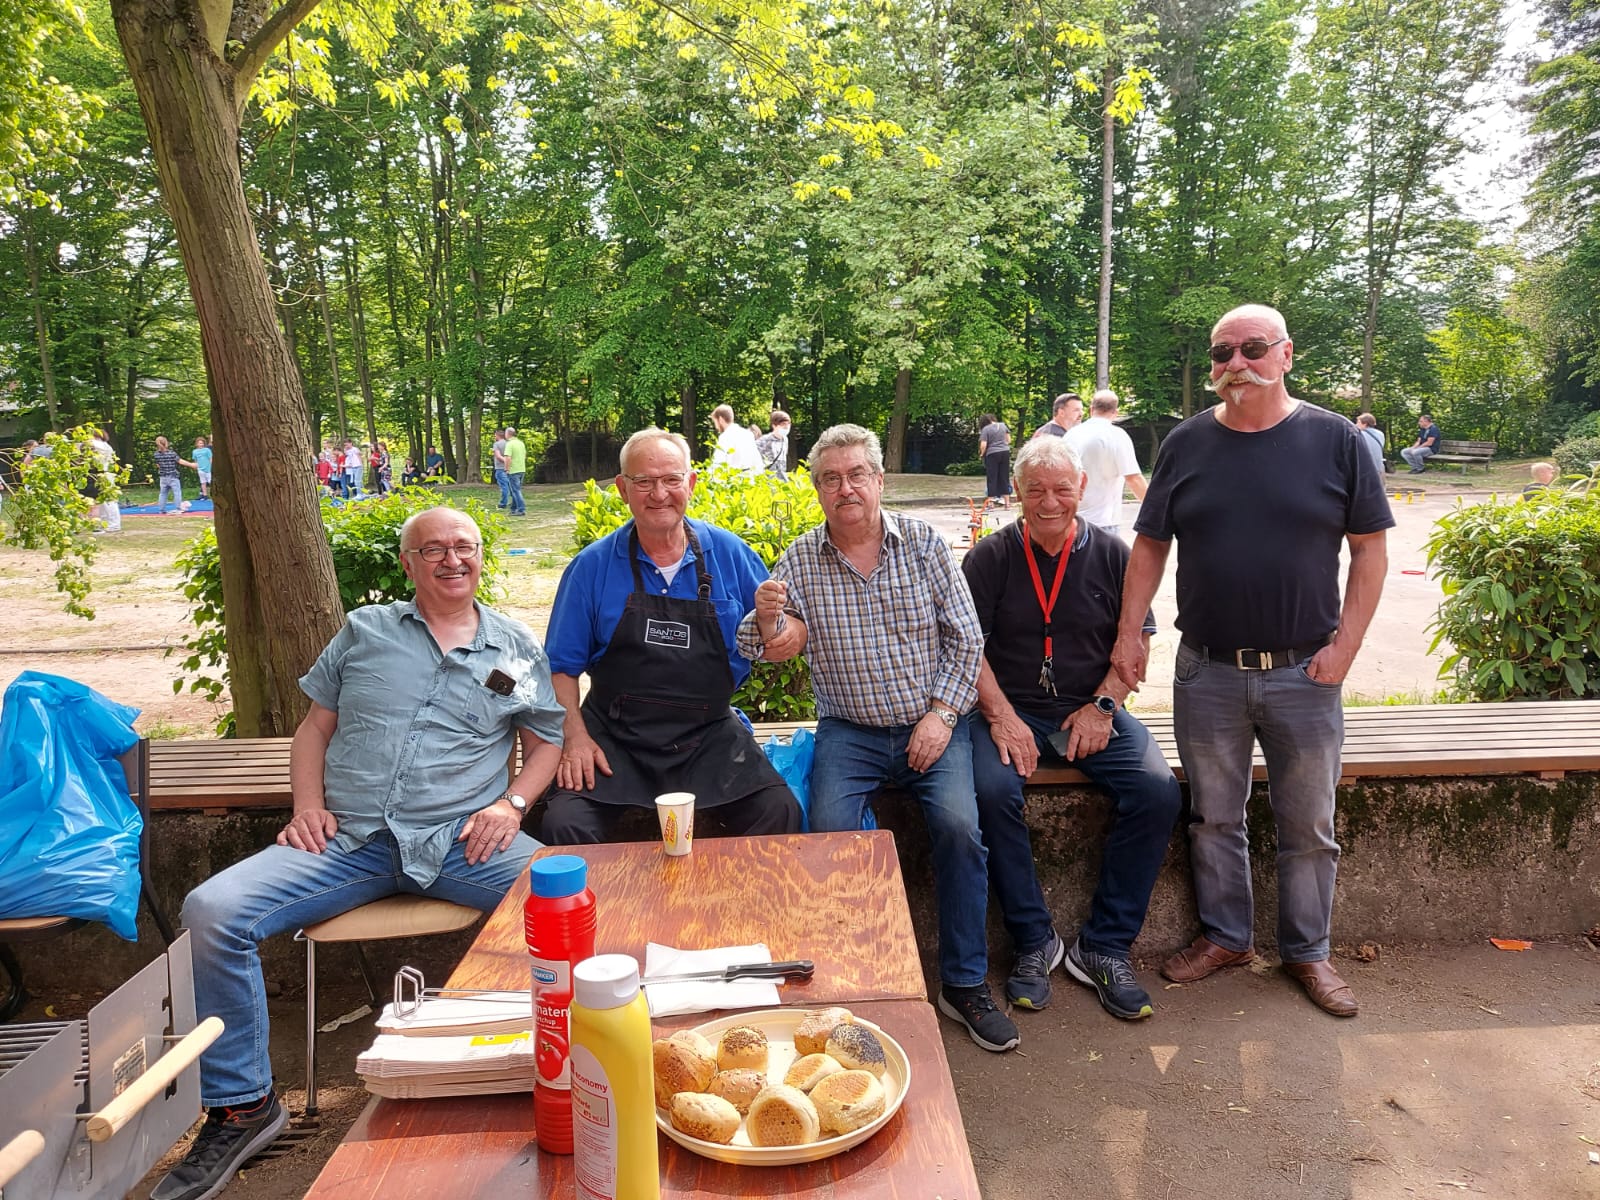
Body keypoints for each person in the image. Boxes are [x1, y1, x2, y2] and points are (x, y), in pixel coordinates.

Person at [151, 506, 564, 1200]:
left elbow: (546, 740)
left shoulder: (516, 647)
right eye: (432, 548)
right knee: (212, 910)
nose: (451, 559)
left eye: (464, 546)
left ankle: (554, 1073)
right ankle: (244, 1107)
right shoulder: (365, 631)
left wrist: (511, 804)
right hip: (348, 841)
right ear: (408, 563)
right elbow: (314, 728)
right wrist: (306, 807)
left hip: (461, 841)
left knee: (568, 902)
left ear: (481, 557)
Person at [1111, 303, 1392, 1019]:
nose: (1235, 364)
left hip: (1307, 671)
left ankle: (1308, 952)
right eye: (1221, 353)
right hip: (1209, 671)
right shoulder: (1186, 444)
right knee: (1213, 817)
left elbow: (1370, 550)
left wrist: (1345, 648)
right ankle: (1228, 937)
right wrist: (1129, 634)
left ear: (1286, 355)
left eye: (1252, 349)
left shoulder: (1337, 441)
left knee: (1309, 824)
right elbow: (1150, 545)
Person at [744, 423, 1019, 1054]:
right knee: (828, 834)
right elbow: (767, 647)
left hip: (933, 724)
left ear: (879, 479)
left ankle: (964, 982)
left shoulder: (922, 544)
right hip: (849, 730)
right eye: (831, 478)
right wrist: (765, 620)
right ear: (816, 489)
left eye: (856, 474)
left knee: (958, 827)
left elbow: (966, 639)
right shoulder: (800, 560)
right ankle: (847, 982)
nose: (845, 488)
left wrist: (944, 715)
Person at [963, 437, 1180, 1019]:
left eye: (1063, 489)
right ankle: (1035, 939)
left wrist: (1104, 707)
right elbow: (966, 649)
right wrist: (1002, 715)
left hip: (1093, 708)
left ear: (1083, 489)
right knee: (988, 791)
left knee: (1158, 791)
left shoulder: (1114, 554)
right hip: (1010, 712)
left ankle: (1105, 947)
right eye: (1036, 490)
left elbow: (1137, 648)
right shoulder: (990, 558)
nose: (1050, 501)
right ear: (1017, 493)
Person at [541, 427, 803, 843]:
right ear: (623, 489)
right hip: (614, 738)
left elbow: (779, 631)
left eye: (670, 480)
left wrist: (783, 631)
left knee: (778, 811)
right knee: (563, 823)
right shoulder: (590, 568)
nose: (658, 493)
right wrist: (574, 737)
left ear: (691, 484)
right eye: (643, 482)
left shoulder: (731, 554)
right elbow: (560, 668)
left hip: (709, 735)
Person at [1064, 390, 1147, 536]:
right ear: (1116, 412)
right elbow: (1133, 479)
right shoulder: (1117, 435)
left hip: (1071, 520)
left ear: (1091, 409)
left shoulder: (1071, 435)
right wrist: (1155, 509)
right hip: (1104, 522)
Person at [710, 404, 763, 476]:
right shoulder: (748, 434)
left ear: (720, 419)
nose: (716, 426)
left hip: (733, 480)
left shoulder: (725, 437)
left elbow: (718, 463)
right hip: (749, 479)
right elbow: (757, 461)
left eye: (715, 422)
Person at [90, 428, 121, 532]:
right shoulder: (107, 446)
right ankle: (108, 522)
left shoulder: (95, 444)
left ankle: (113, 524)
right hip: (106, 473)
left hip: (103, 473)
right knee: (104, 499)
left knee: (108, 500)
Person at [977, 414, 1011, 506]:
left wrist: (981, 454)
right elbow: (1009, 440)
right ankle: (1007, 503)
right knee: (1004, 477)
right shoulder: (1003, 425)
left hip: (992, 454)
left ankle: (991, 504)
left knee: (992, 478)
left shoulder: (986, 429)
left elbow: (983, 445)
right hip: (1005, 452)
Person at [153, 436, 188, 513]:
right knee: (177, 493)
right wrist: (192, 465)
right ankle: (178, 508)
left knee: (163, 494)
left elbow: (158, 465)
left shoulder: (156, 454)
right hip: (173, 476)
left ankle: (161, 509)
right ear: (166, 443)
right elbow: (180, 461)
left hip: (163, 477)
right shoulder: (171, 453)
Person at [755, 411, 792, 480]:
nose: (786, 427)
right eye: (783, 424)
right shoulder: (763, 440)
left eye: (788, 424)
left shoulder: (785, 440)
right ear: (774, 425)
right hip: (767, 480)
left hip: (782, 480)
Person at [503, 427, 527, 516]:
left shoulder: (509, 444)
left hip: (513, 470)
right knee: (516, 490)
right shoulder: (521, 443)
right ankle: (513, 509)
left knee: (516, 491)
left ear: (508, 434)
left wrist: (507, 469)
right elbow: (524, 455)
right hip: (522, 469)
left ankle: (521, 509)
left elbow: (508, 458)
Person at [492, 428, 510, 509]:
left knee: (504, 486)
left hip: (500, 468)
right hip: (510, 468)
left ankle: (503, 503)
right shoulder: (509, 444)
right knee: (511, 485)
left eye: (495, 435)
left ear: (497, 435)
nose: (494, 436)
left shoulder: (497, 444)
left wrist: (505, 462)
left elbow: (498, 456)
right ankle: (515, 502)